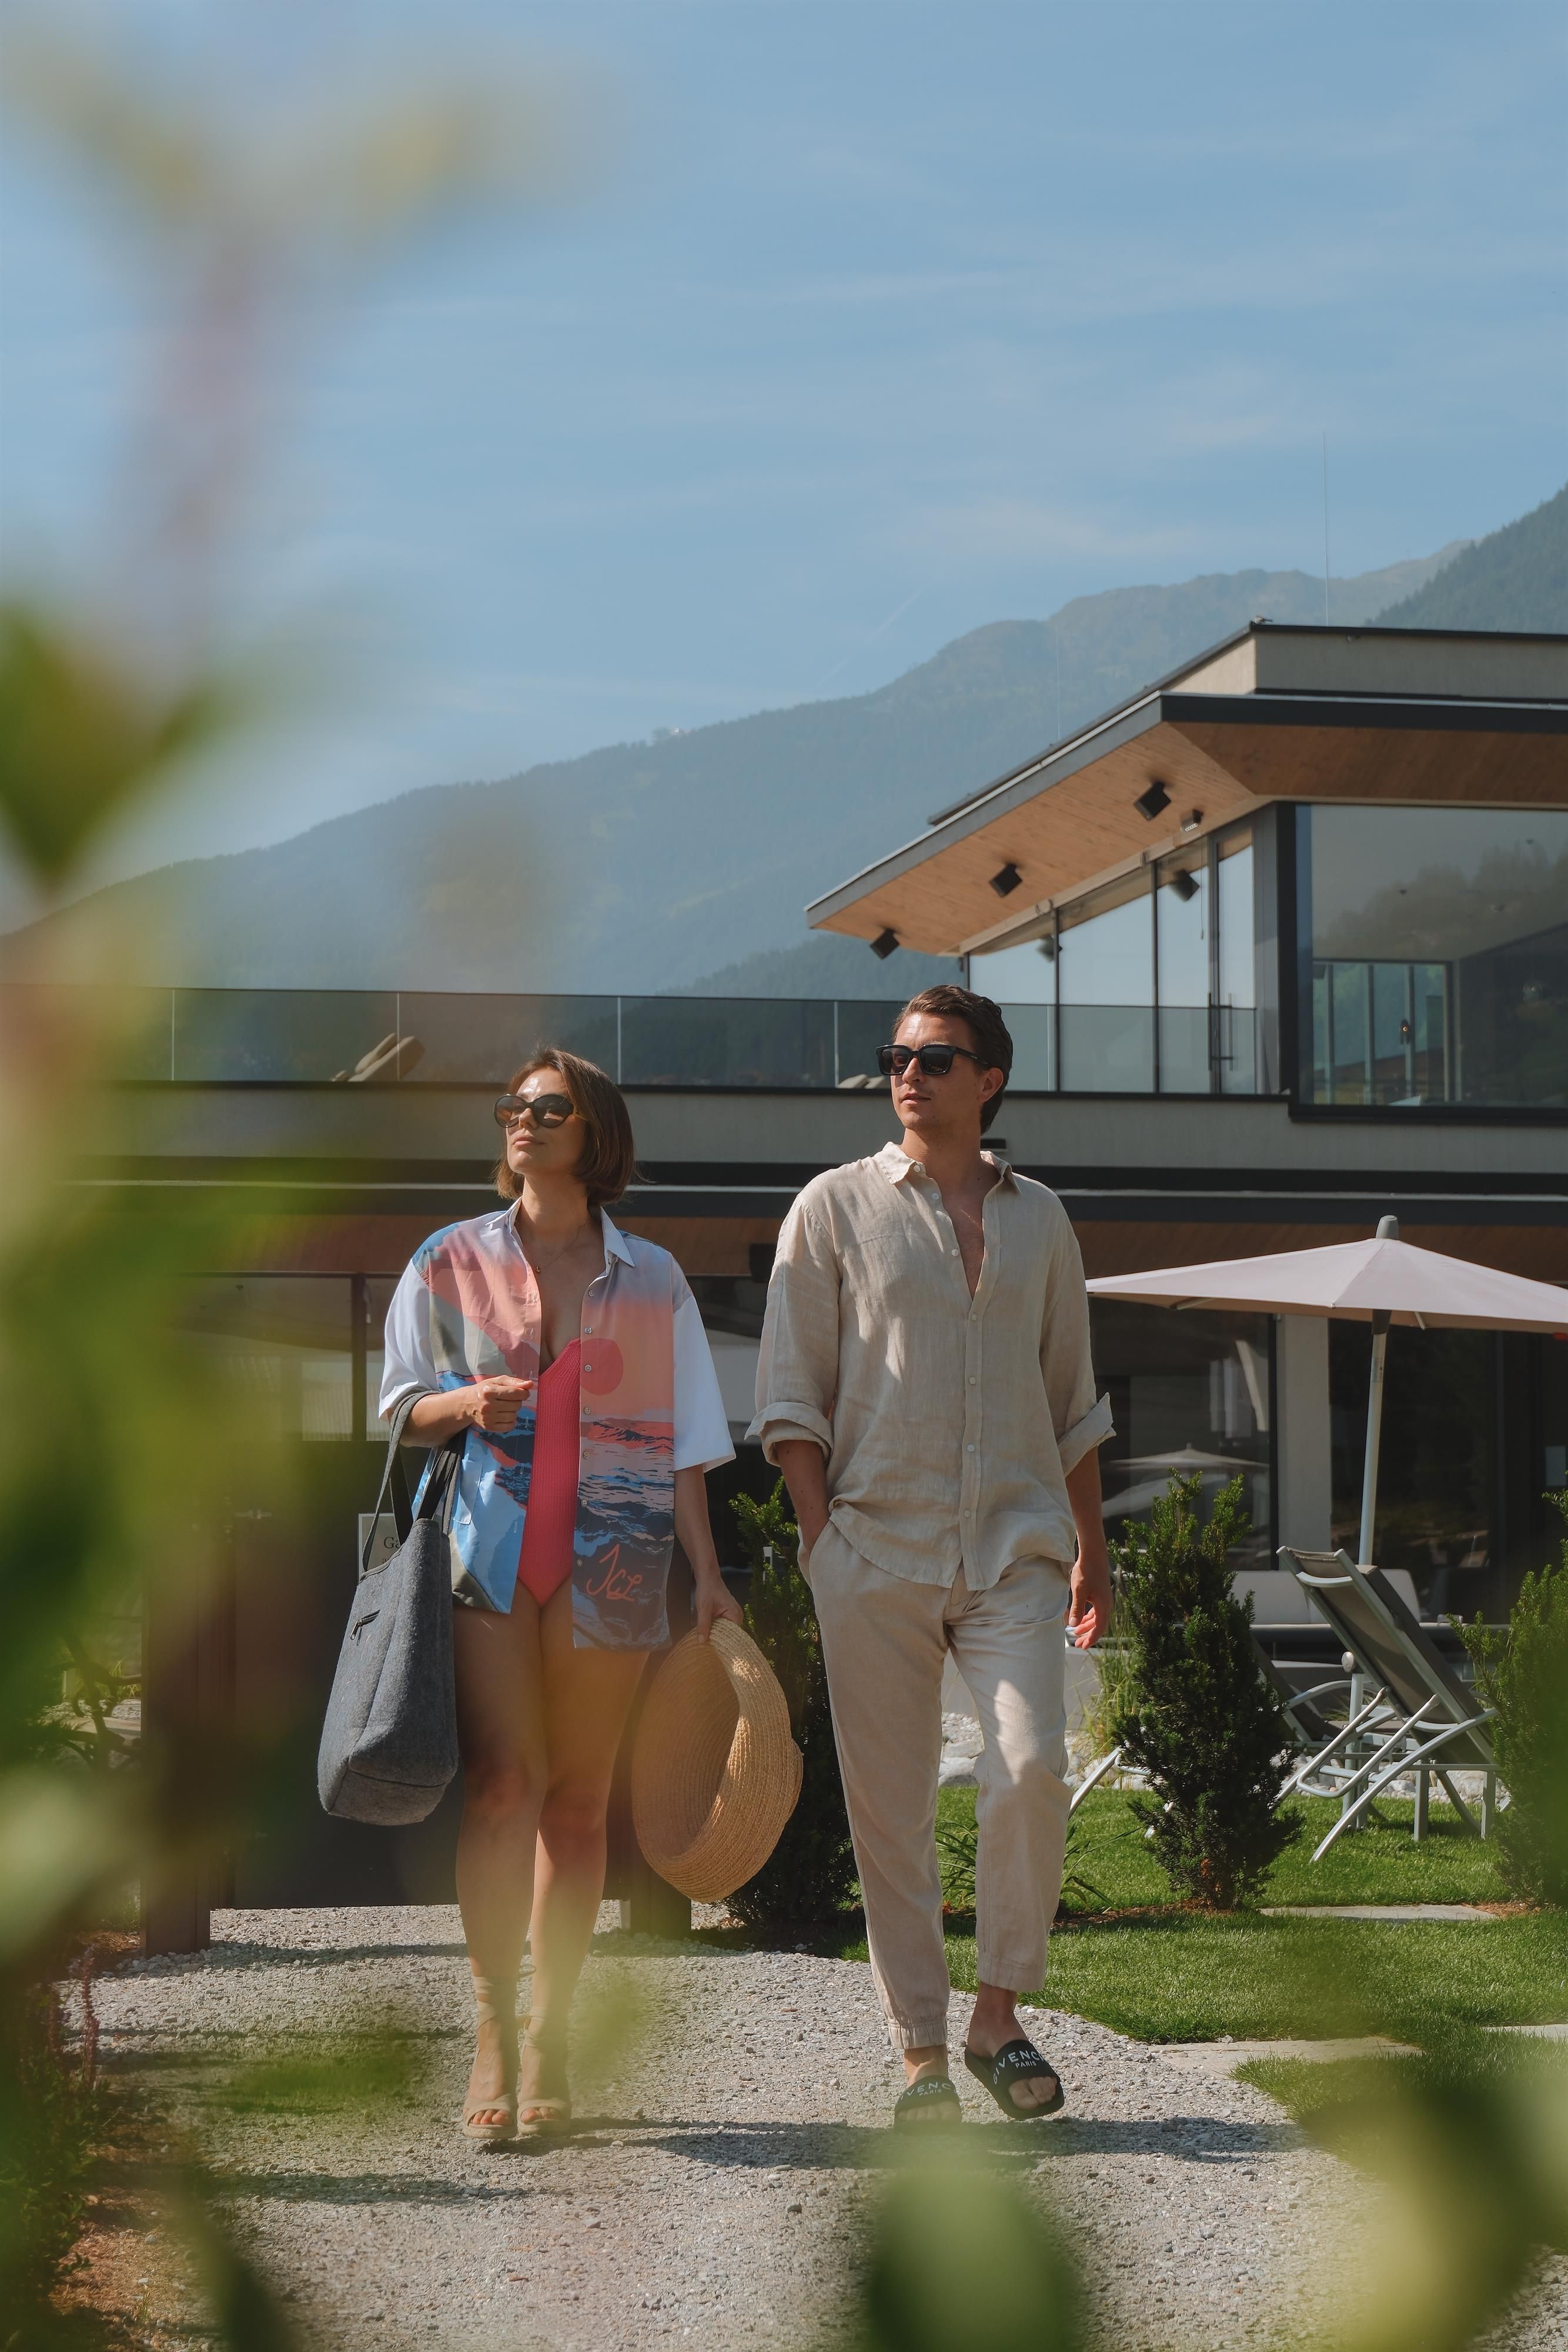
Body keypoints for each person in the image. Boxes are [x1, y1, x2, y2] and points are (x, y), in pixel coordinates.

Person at [750, 984, 1114, 2128]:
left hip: (1015, 1545)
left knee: (1030, 1766)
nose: (908, 1072)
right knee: (891, 1815)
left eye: (936, 1057)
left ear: (988, 1079)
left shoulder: (1041, 1221)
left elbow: (1072, 1400)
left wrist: (1093, 1550)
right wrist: (822, 1544)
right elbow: (790, 1393)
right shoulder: (832, 1207)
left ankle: (995, 2016)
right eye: (897, 1055)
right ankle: (920, 2053)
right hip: (874, 1547)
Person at [380, 1048, 741, 2143]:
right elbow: (396, 1406)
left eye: (548, 1108)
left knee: (580, 1803)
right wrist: (464, 1406)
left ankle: (552, 2035)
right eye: (514, 1107)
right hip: (486, 1556)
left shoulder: (655, 1277)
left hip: (618, 1559)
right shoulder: (449, 1259)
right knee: (504, 1787)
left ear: (596, 1134)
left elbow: (689, 1447)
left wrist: (711, 1579)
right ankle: (492, 2027)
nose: (523, 1122)